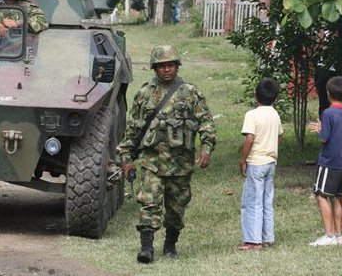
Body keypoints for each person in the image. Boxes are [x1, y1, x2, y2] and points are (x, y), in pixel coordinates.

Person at [117, 44, 216, 263]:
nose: (167, 70)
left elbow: (206, 123)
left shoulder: (191, 93)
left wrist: (206, 148)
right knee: (148, 204)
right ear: (154, 68)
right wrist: (126, 159)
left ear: (177, 67)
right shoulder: (144, 94)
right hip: (151, 162)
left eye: (171, 65)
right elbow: (133, 129)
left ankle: (170, 245)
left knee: (176, 210)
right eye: (161, 66)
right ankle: (146, 248)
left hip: (180, 165)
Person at [308, 76, 342, 246]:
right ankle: (338, 235)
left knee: (321, 195)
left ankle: (329, 235)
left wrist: (320, 129)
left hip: (328, 162)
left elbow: (324, 138)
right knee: (336, 197)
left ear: (328, 93)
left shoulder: (328, 113)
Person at [238, 78, 283, 251]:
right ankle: (267, 237)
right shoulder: (275, 114)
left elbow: (250, 138)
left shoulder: (252, 115)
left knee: (252, 201)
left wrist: (243, 159)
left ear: (256, 95)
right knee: (266, 200)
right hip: (271, 162)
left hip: (256, 162)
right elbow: (280, 136)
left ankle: (253, 241)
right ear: (275, 98)